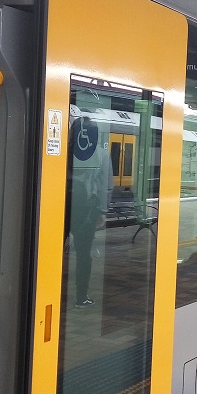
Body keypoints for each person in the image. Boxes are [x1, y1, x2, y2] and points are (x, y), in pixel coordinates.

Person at [66, 109, 113, 308]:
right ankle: (81, 296)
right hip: (87, 211)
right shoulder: (102, 154)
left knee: (54, 252)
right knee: (84, 255)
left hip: (63, 208)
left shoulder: (64, 152)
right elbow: (106, 186)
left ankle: (49, 292)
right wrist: (103, 211)